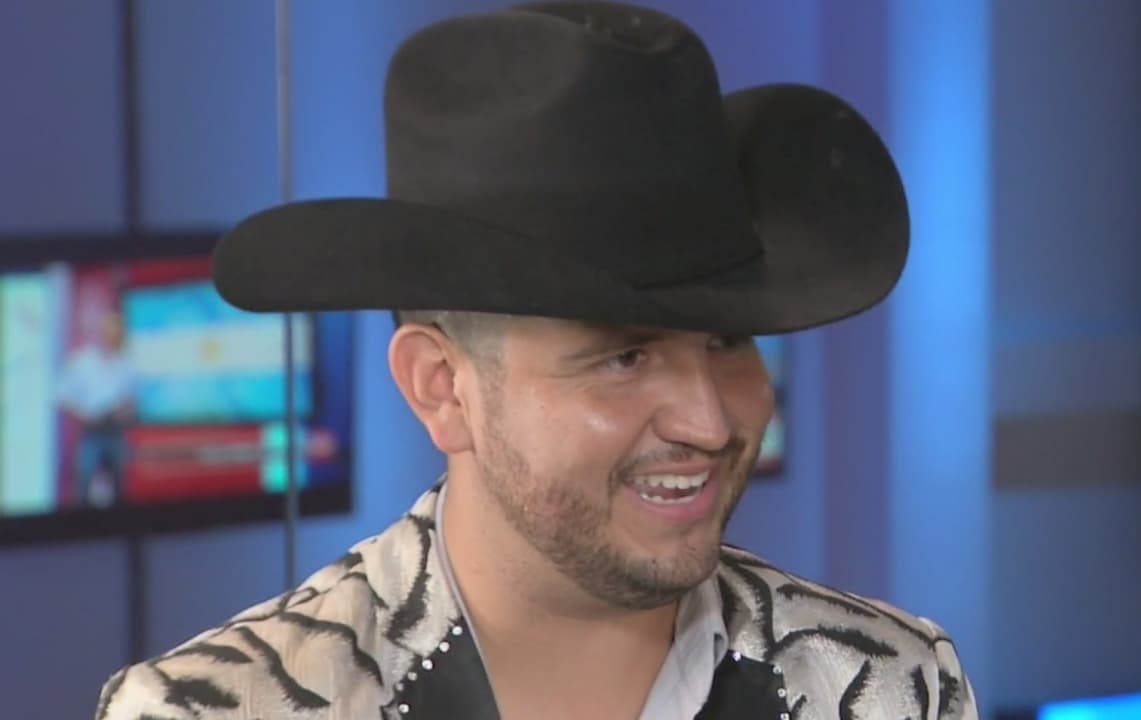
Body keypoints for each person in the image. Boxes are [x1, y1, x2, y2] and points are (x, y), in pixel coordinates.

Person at [95, 3, 978, 719]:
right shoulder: (226, 710)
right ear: (442, 388)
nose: (709, 421)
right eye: (624, 357)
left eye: (726, 341)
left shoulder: (891, 690)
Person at [57, 306, 134, 507]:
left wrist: (123, 411)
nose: (114, 336)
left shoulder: (127, 363)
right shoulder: (82, 361)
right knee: (84, 484)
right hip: (91, 432)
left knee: (121, 488)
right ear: (101, 333)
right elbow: (62, 398)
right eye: (110, 331)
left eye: (118, 331)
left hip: (116, 431)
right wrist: (85, 415)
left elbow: (132, 400)